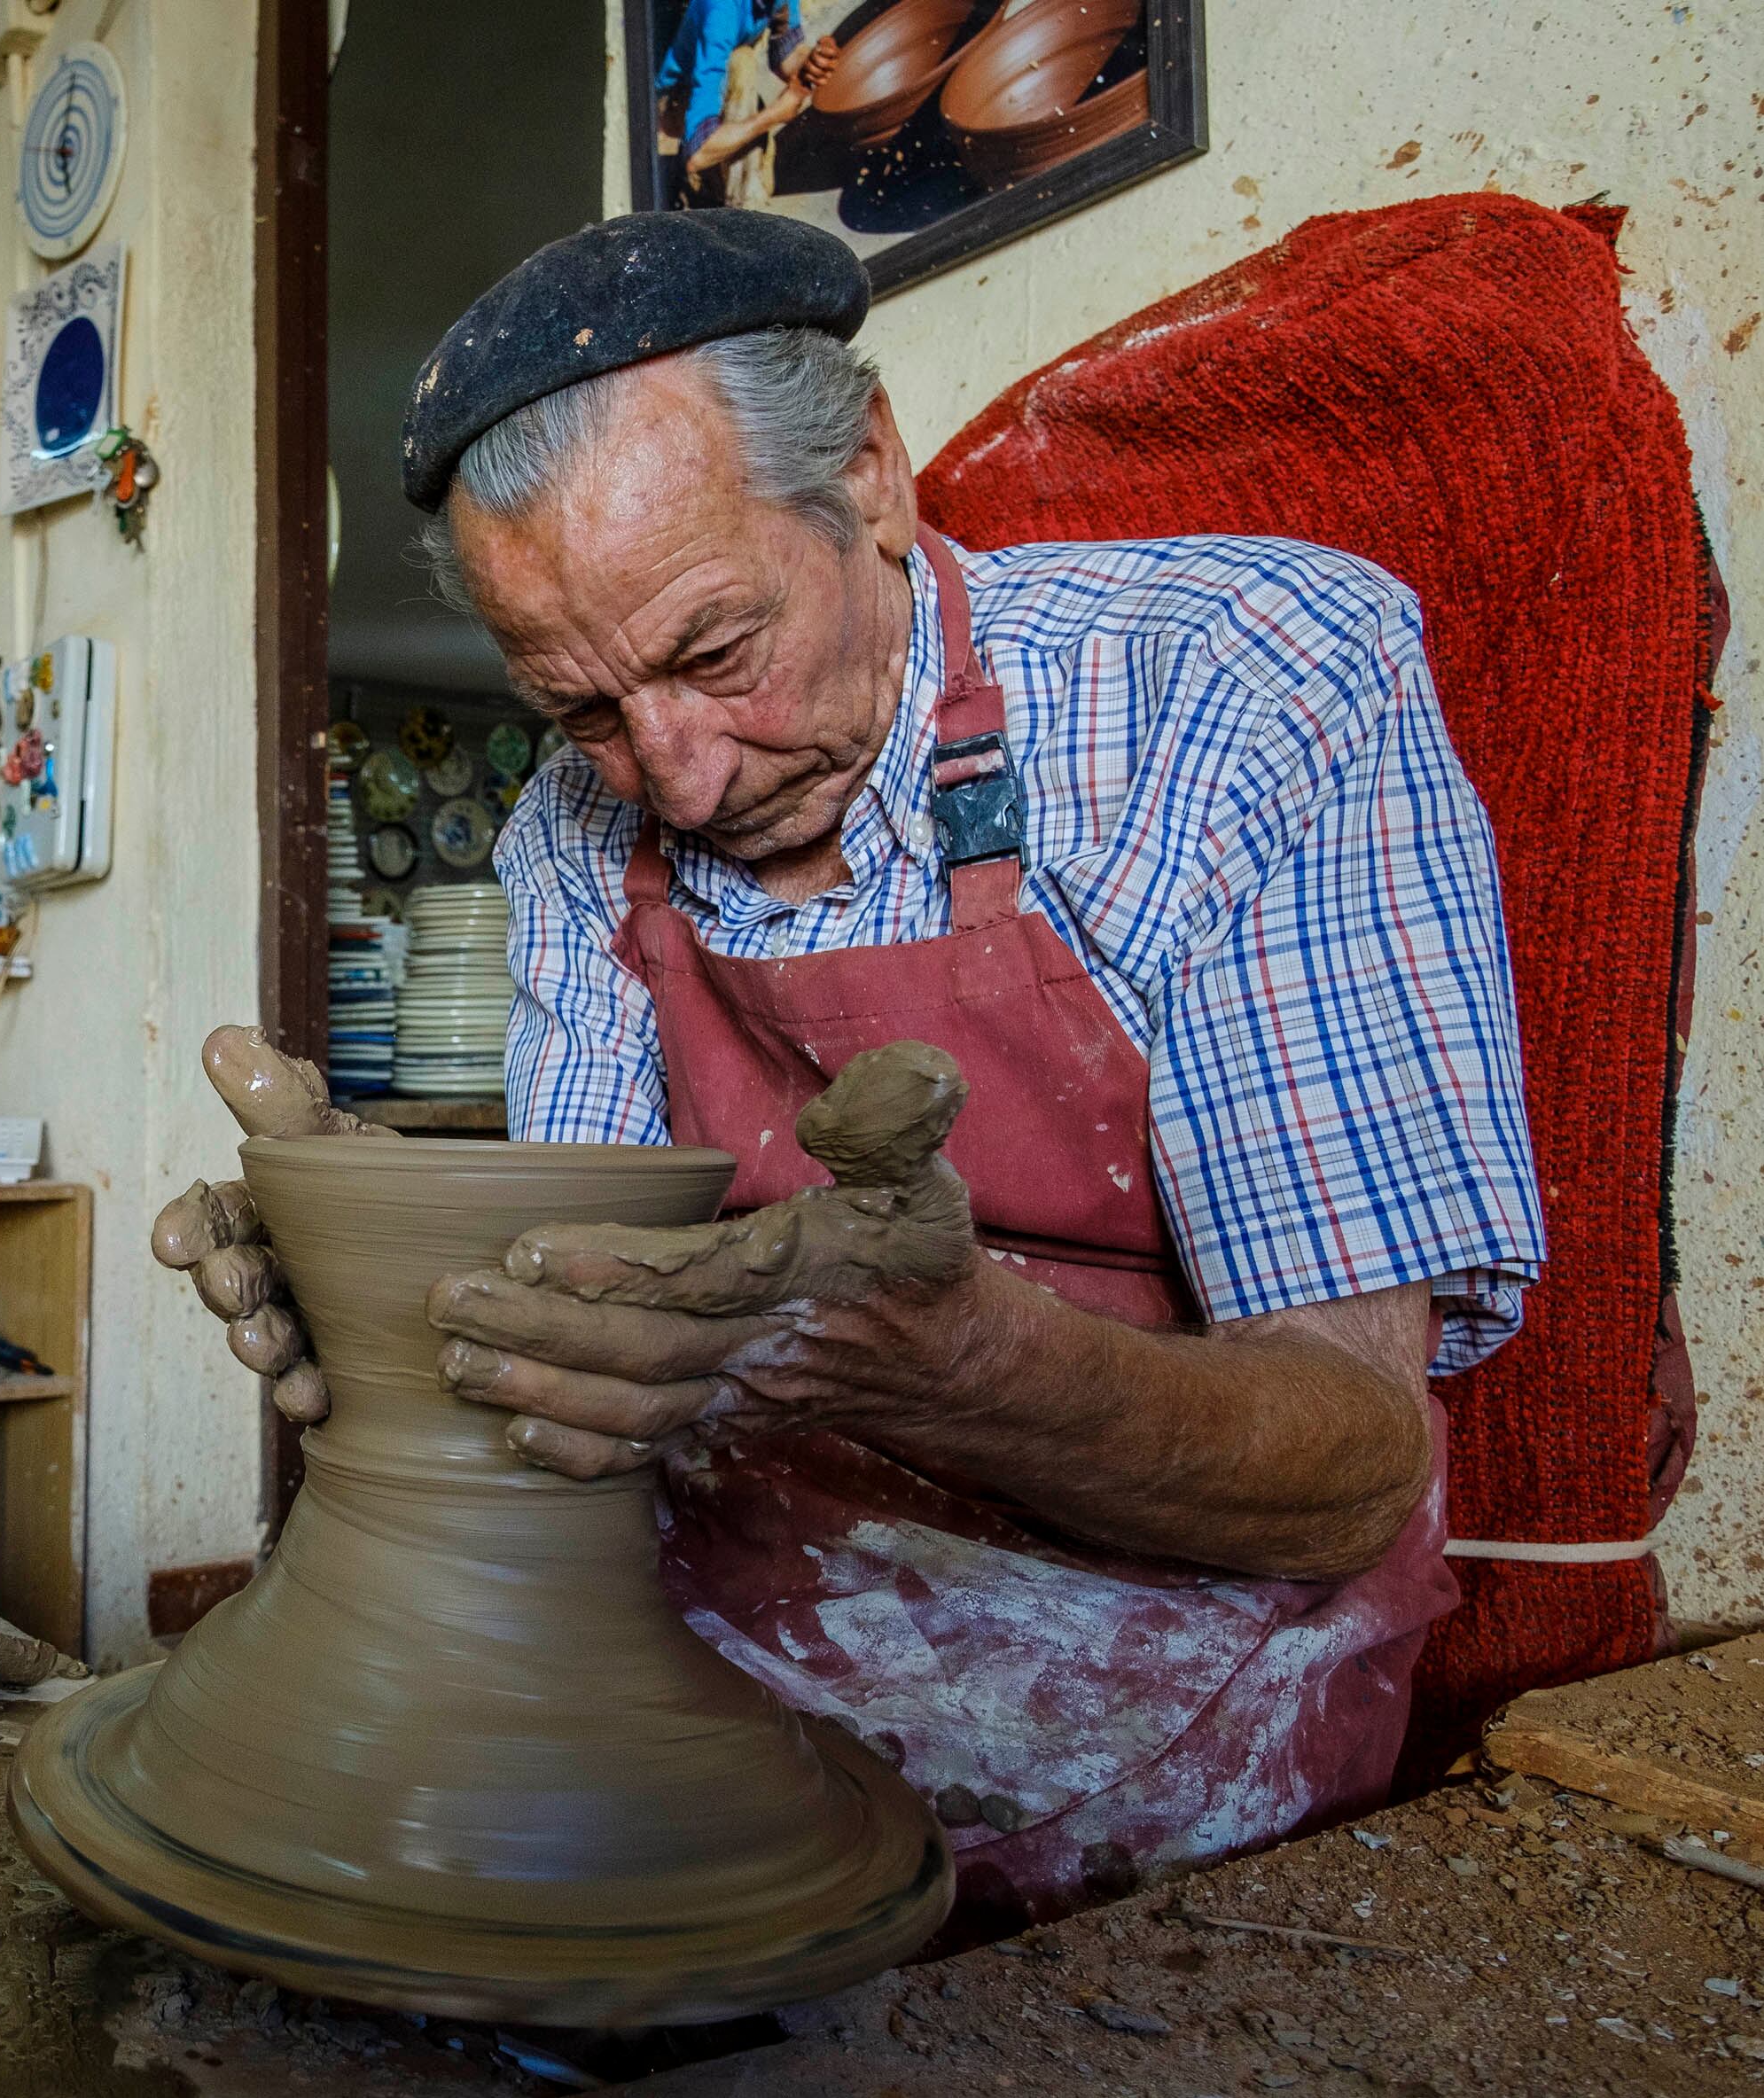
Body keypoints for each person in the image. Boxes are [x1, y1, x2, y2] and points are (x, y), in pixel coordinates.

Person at [165, 209, 1543, 1932]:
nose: (670, 775)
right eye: (578, 707)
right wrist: (402, 1297)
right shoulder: (572, 835)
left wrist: (959, 1361)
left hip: (1189, 1670)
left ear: (874, 479)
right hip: (731, 1628)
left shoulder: (1243, 687)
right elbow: (577, 1324)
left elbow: (1355, 1459)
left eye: (712, 652)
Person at [657, 0, 840, 203]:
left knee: (742, 64)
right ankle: (740, 212)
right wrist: (774, 115)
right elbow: (697, 154)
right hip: (676, 109)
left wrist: (812, 61)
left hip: (719, 85)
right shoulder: (720, 13)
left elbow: (784, 55)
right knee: (743, 63)